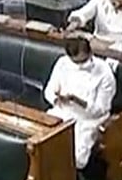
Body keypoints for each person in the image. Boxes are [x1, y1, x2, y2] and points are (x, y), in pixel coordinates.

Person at [44, 37, 117, 171]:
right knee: (44, 143)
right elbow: (48, 90)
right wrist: (56, 98)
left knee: (75, 156)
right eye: (75, 62)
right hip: (62, 111)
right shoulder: (62, 63)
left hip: (88, 119)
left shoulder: (105, 73)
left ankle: (70, 177)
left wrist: (77, 100)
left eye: (82, 61)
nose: (79, 66)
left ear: (90, 54)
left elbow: (102, 109)